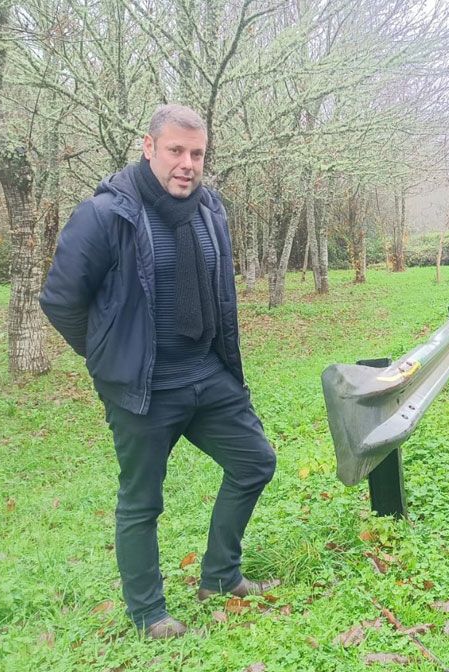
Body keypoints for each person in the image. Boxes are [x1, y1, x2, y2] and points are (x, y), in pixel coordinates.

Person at [41, 104, 277, 639]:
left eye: (197, 153)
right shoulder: (105, 215)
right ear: (149, 148)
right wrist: (109, 354)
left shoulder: (209, 208)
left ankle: (220, 576)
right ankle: (149, 613)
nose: (187, 164)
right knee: (142, 502)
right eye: (175, 150)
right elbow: (61, 301)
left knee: (255, 462)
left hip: (207, 376)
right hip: (142, 389)